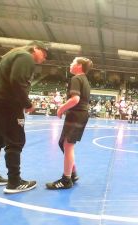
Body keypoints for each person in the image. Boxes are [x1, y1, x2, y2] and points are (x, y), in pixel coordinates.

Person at [0, 41, 48, 194]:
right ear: (35, 48)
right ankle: (14, 182)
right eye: (44, 54)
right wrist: (27, 103)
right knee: (15, 141)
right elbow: (17, 81)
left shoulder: (13, 54)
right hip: (9, 104)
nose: (44, 59)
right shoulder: (25, 57)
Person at [46, 57, 93, 190]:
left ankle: (66, 179)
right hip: (79, 115)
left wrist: (61, 108)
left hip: (76, 115)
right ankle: (73, 173)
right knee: (64, 143)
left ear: (79, 65)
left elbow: (75, 99)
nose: (70, 64)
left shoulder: (76, 79)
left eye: (72, 62)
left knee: (68, 145)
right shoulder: (84, 80)